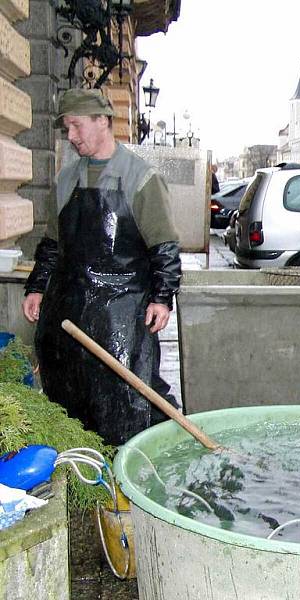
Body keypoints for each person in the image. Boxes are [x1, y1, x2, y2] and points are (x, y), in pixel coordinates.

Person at [22, 89, 182, 446]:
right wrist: (36, 286)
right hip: (70, 310)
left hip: (121, 314)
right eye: (67, 128)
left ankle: (154, 459)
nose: (72, 136)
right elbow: (52, 242)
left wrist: (162, 296)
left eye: (77, 126)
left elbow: (164, 246)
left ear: (103, 121)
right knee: (71, 393)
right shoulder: (66, 180)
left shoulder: (141, 178)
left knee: (133, 396)